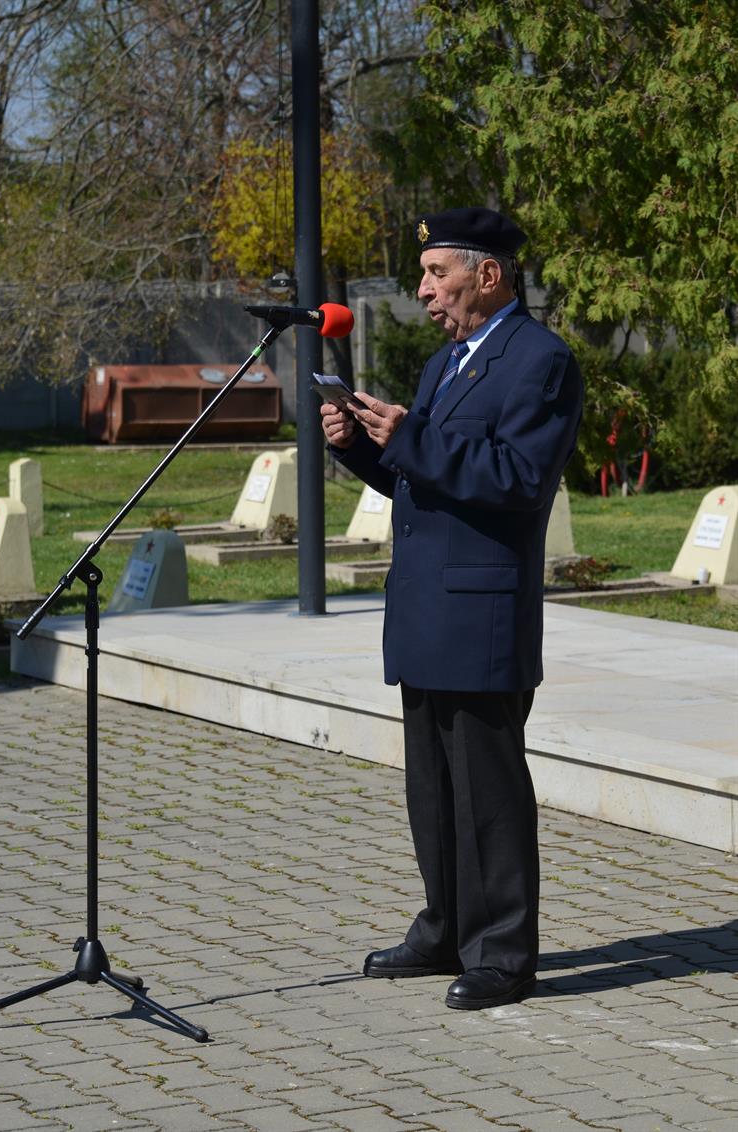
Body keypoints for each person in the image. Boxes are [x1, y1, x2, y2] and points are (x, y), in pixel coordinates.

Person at [320, 206, 583, 1011]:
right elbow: (421, 480)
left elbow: (515, 479)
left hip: (483, 609)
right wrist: (360, 445)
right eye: (426, 275)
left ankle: (503, 954)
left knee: (489, 791)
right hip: (427, 606)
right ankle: (446, 927)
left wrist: (410, 440)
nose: (425, 290)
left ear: (489, 274)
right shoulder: (447, 365)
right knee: (431, 787)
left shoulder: (539, 361)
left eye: (438, 273)